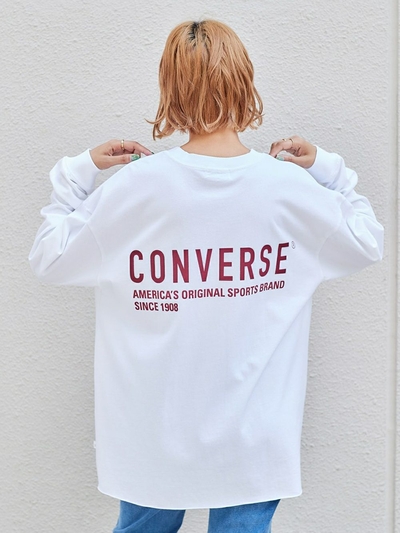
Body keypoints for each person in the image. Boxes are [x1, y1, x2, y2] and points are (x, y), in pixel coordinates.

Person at [29, 19, 383, 533]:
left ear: (170, 89)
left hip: (154, 432)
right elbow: (366, 241)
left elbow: (50, 256)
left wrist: (77, 172)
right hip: (253, 435)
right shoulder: (287, 188)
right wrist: (329, 171)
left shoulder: (137, 187)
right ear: (244, 82)